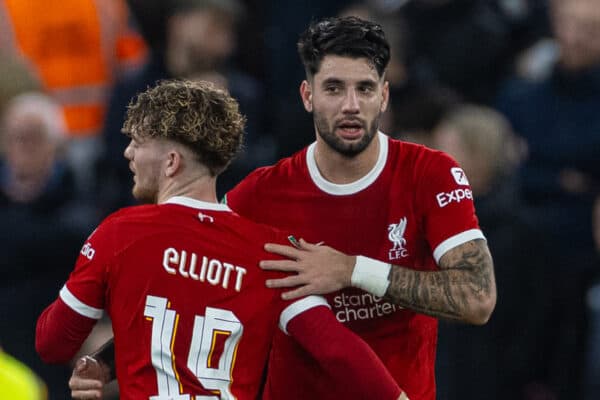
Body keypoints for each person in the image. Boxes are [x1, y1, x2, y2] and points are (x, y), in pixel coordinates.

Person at [68, 17, 495, 400]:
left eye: (364, 88)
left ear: (384, 96)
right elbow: (189, 288)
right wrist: (107, 363)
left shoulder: (430, 174)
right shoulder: (261, 195)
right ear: (307, 95)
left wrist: (349, 270)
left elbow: (478, 299)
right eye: (333, 88)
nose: (350, 105)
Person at [35, 79, 407, 400]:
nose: (128, 153)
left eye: (138, 141)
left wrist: (99, 356)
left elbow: (53, 343)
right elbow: (337, 351)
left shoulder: (121, 233)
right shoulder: (273, 254)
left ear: (171, 162)